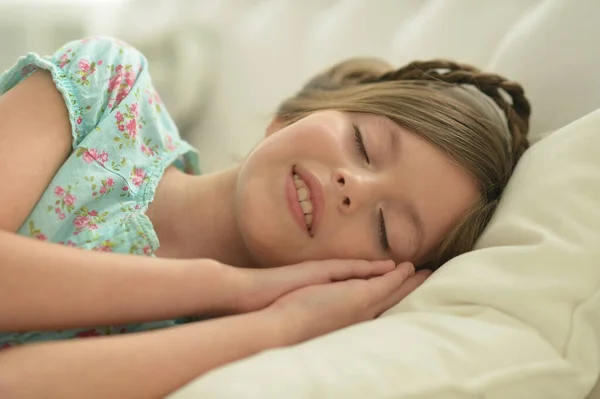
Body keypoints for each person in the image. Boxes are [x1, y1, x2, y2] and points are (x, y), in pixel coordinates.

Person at [0, 37, 530, 398]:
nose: (354, 188)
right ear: (298, 113)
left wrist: (281, 325)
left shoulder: (230, 352)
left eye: (386, 228)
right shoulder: (105, 93)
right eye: (363, 145)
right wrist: (224, 284)